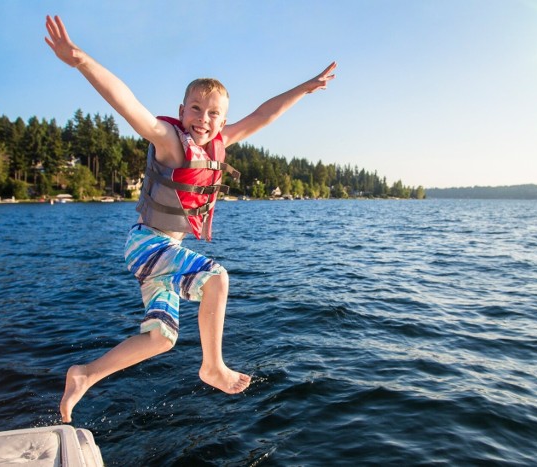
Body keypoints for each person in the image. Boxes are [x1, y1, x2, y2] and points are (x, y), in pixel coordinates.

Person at [45, 15, 336, 423]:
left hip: (164, 254)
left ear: (222, 120)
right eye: (196, 108)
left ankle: (84, 375)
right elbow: (128, 105)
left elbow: (265, 114)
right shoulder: (170, 142)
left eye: (214, 113)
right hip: (148, 243)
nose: (204, 118)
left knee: (161, 338)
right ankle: (212, 366)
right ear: (181, 110)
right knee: (217, 278)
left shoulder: (220, 141)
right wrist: (80, 60)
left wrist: (305, 88)